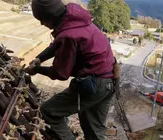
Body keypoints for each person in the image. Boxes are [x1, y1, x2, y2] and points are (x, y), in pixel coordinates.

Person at [25, 0, 116, 140]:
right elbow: (57, 44)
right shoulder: (76, 20)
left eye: (43, 20)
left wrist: (36, 69)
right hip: (110, 79)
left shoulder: (68, 35)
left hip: (93, 84)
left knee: (49, 111)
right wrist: (39, 58)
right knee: (95, 131)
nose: (42, 24)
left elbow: (60, 73)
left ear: (51, 17)